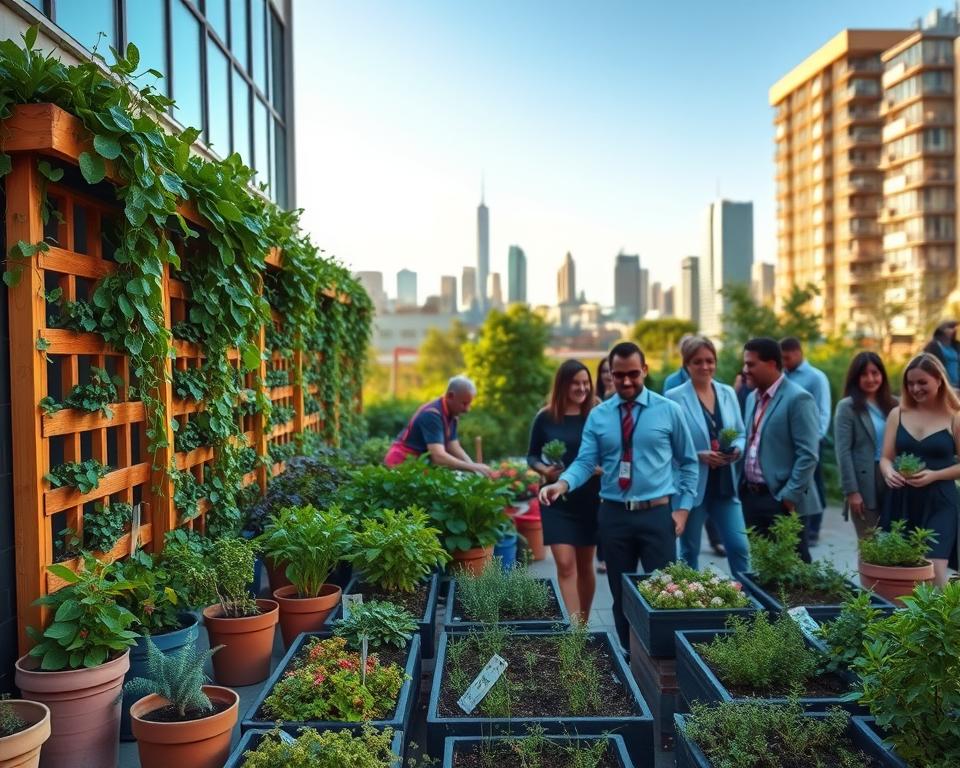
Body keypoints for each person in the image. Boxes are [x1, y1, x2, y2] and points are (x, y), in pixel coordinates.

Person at [539, 341, 698, 649]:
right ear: (610, 374)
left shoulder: (669, 411)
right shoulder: (599, 416)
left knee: (665, 594)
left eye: (633, 374)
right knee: (620, 595)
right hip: (614, 516)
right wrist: (562, 484)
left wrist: (683, 510)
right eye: (619, 374)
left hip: (657, 514)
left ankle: (661, 662)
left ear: (645, 371)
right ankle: (629, 659)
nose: (626, 381)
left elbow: (688, 463)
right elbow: (585, 461)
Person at [665, 336, 750, 577]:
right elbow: (668, 446)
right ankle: (690, 605)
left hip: (724, 484)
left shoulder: (727, 393)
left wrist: (737, 449)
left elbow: (741, 433)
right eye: (697, 362)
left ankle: (750, 602)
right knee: (689, 551)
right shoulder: (674, 397)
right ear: (686, 365)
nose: (705, 367)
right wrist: (697, 455)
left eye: (710, 361)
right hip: (691, 488)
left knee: (739, 547)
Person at [527, 360, 601, 622]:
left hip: (590, 498)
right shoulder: (545, 417)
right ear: (563, 385)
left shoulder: (597, 412)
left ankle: (583, 622)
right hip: (556, 499)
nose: (582, 388)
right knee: (565, 564)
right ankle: (575, 632)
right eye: (575, 383)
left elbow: (610, 451)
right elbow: (532, 456)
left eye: (585, 382)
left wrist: (599, 469)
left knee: (585, 564)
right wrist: (544, 470)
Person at [880, 353, 960, 586]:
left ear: (938, 380)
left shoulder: (955, 417)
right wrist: (888, 473)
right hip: (903, 500)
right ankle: (910, 621)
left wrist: (935, 475)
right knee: (905, 575)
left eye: (922, 382)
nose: (915, 388)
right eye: (910, 383)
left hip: (941, 502)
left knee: (934, 572)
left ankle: (946, 622)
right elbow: (885, 458)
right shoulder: (898, 414)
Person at [741, 338, 820, 563]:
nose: (745, 370)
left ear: (772, 364)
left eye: (751, 364)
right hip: (752, 497)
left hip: (781, 499)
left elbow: (808, 454)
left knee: (794, 570)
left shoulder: (798, 398)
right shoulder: (751, 399)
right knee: (762, 566)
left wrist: (789, 496)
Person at [834, 352, 898, 540]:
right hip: (864, 481)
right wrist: (852, 492)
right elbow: (843, 451)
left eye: (875, 373)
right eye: (864, 374)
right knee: (870, 542)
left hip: (894, 477)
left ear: (882, 375)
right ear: (856, 378)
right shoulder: (847, 407)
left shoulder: (896, 404)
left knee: (896, 542)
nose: (870, 379)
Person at [383, 375, 491, 475]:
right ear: (450, 396)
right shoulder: (432, 415)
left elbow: (453, 446)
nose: (467, 409)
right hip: (401, 464)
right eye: (464, 403)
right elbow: (438, 456)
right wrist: (473, 468)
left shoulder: (452, 415)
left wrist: (475, 468)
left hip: (416, 466)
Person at [781, 337, 831, 545]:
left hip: (811, 440)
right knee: (797, 481)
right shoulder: (783, 376)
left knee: (814, 483)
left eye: (787, 357)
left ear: (799, 353)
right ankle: (797, 525)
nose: (784, 362)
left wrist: (816, 439)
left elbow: (823, 410)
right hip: (789, 442)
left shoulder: (816, 377)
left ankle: (813, 529)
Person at [594, 357, 615, 574]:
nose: (608, 375)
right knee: (602, 513)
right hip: (597, 468)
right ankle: (603, 556)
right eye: (605, 372)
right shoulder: (595, 402)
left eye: (612, 371)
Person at [923, 320, 960, 390]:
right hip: (942, 384)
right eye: (950, 327)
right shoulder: (933, 346)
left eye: (954, 328)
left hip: (957, 385)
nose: (953, 330)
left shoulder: (957, 345)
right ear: (941, 330)